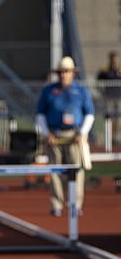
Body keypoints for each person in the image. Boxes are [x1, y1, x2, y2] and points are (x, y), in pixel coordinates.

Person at [35, 56, 95, 217]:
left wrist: (82, 133)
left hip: (74, 136)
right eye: (61, 71)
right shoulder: (49, 91)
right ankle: (57, 204)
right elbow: (40, 114)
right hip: (54, 136)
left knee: (76, 170)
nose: (63, 75)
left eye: (67, 71)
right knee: (54, 171)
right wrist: (47, 134)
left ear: (73, 73)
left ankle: (75, 204)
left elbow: (89, 114)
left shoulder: (81, 91)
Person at [97, 51, 121, 143]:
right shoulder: (105, 70)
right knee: (109, 118)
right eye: (113, 59)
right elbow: (97, 82)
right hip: (109, 99)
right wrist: (102, 93)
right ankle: (109, 139)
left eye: (116, 59)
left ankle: (116, 138)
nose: (115, 61)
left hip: (119, 99)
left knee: (118, 119)